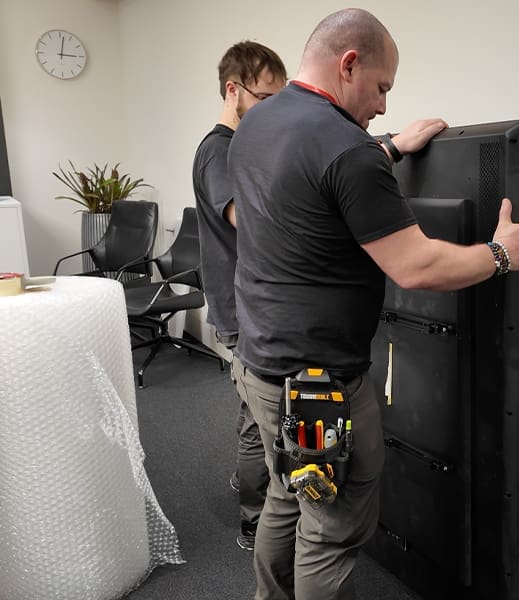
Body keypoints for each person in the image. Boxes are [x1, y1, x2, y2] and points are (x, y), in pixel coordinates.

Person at [228, 8, 519, 599]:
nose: (382, 105)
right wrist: (503, 253)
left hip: (258, 364)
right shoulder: (346, 149)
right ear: (349, 65)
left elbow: (312, 176)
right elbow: (416, 266)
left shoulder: (258, 124)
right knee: (331, 527)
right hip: (318, 384)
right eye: (381, 87)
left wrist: (391, 148)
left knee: (285, 499)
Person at [192, 40, 287, 551]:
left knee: (250, 402)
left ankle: (247, 484)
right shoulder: (218, 151)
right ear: (235, 91)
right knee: (258, 420)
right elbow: (246, 219)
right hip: (241, 309)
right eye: (266, 99)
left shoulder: (242, 148)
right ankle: (254, 514)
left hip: (247, 303)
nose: (275, 111)